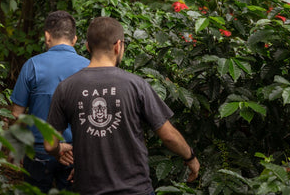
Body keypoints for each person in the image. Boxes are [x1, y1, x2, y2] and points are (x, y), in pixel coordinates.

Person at [44, 16, 200, 195]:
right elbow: (168, 136)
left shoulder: (66, 87)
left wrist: (59, 151)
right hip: (135, 189)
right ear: (118, 46)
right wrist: (191, 157)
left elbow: (49, 145)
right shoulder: (136, 85)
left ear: (87, 46)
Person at [10, 10, 89, 193]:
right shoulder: (88, 67)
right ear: (75, 39)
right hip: (76, 154)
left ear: (47, 36)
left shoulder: (32, 65)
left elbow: (16, 114)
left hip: (39, 152)